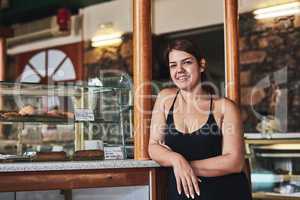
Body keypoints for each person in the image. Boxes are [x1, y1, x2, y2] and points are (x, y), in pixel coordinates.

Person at [148, 39, 252, 200]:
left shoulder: (224, 107)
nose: (180, 70)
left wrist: (186, 166)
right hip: (181, 195)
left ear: (201, 65)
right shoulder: (165, 98)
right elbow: (153, 146)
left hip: (224, 193)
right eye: (173, 65)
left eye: (187, 62)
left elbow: (234, 161)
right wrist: (177, 160)